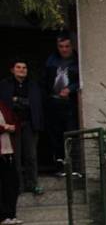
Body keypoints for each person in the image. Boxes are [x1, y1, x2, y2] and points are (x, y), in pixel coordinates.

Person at [0, 59, 44, 194]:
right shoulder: (4, 85)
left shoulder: (33, 85)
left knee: (31, 156)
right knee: (16, 158)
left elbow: (35, 104)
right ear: (12, 70)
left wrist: (17, 100)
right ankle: (17, 186)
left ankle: (33, 184)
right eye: (18, 67)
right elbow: (6, 105)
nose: (22, 70)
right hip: (13, 125)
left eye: (24, 67)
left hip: (30, 124)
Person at [43, 33, 79, 175]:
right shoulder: (51, 61)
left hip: (70, 104)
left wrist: (70, 89)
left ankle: (73, 166)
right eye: (61, 46)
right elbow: (44, 80)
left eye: (67, 46)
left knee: (71, 134)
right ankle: (59, 166)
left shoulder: (77, 61)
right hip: (53, 102)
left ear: (72, 46)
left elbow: (83, 79)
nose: (64, 49)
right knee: (55, 136)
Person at [0, 100, 22, 225]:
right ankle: (3, 216)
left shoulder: (2, 105)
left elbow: (15, 120)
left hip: (8, 150)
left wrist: (13, 127)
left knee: (12, 183)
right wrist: (4, 128)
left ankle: (11, 214)